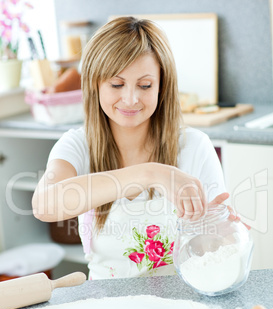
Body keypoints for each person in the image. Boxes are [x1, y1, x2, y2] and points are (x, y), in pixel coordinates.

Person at [32, 16, 231, 280]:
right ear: (95, 84)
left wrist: (224, 237)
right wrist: (151, 173)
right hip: (106, 305)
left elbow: (211, 256)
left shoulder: (194, 147)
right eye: (116, 84)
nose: (130, 99)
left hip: (178, 307)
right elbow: (45, 205)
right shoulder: (78, 145)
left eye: (145, 85)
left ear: (162, 86)